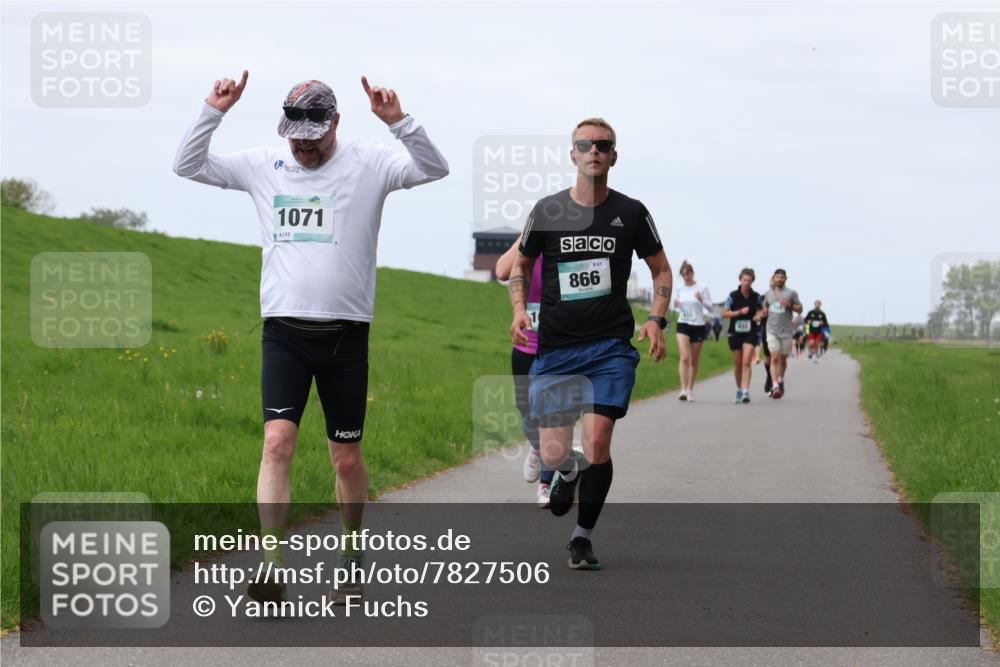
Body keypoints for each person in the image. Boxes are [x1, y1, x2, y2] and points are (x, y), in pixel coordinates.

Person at [173, 71, 449, 603]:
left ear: (335, 124)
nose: (302, 145)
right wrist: (213, 111)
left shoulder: (370, 162)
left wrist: (400, 124)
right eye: (294, 135)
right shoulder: (262, 164)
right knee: (277, 442)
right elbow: (186, 165)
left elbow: (434, 168)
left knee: (345, 457)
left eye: (313, 135)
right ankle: (271, 564)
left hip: (346, 334)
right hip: (284, 331)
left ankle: (351, 550)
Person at [508, 117, 671, 570]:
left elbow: (661, 269)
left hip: (610, 350)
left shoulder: (632, 213)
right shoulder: (546, 211)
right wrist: (520, 309)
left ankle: (582, 539)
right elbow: (519, 265)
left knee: (597, 443)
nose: (594, 150)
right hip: (557, 350)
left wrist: (657, 318)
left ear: (613, 156)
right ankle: (565, 473)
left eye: (603, 144)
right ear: (573, 153)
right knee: (558, 452)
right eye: (585, 144)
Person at [496, 238, 554, 508]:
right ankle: (537, 447)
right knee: (526, 410)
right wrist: (525, 236)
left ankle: (546, 483)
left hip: (558, 347)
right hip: (526, 344)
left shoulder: (562, 251)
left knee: (550, 415)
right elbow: (501, 271)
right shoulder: (527, 253)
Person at [671, 260, 712, 401]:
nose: (685, 277)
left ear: (692, 273)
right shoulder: (679, 288)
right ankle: (682, 390)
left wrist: (702, 300)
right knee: (684, 357)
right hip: (683, 324)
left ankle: (690, 389)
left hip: (699, 325)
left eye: (687, 274)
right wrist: (676, 305)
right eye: (683, 275)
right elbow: (676, 307)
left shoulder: (702, 287)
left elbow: (710, 308)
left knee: (694, 361)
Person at [722, 268, 764, 403]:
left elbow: (763, 310)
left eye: (749, 280)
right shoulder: (732, 296)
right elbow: (725, 313)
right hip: (735, 332)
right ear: (740, 280)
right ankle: (739, 389)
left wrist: (758, 315)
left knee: (746, 362)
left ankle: (746, 391)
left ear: (752, 282)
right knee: (738, 364)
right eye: (744, 280)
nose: (746, 283)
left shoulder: (756, 296)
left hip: (751, 332)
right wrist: (739, 312)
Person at [760, 269, 803, 399]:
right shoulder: (768, 294)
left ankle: (780, 379)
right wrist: (764, 311)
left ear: (785, 279)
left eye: (781, 277)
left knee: (783, 359)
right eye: (777, 277)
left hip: (786, 331)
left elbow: (800, 309)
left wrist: (790, 305)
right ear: (774, 278)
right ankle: (775, 386)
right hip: (771, 330)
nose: (779, 279)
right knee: (774, 358)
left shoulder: (791, 293)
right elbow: (764, 307)